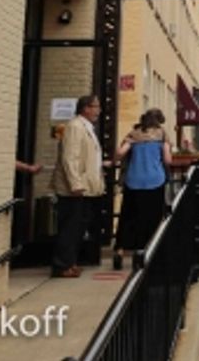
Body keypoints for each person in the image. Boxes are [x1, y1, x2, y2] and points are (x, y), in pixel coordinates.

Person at [51, 95, 104, 279]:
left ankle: (70, 263)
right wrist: (75, 183)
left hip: (86, 187)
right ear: (85, 108)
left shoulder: (87, 127)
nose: (98, 110)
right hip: (74, 189)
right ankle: (62, 265)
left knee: (78, 228)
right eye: (95, 107)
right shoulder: (75, 127)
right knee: (70, 227)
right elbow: (70, 157)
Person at [113, 108, 173, 271]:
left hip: (133, 180)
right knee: (152, 218)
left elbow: (119, 154)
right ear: (159, 121)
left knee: (128, 216)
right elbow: (167, 159)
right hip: (155, 180)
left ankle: (119, 250)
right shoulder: (162, 134)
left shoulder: (134, 133)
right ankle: (145, 251)